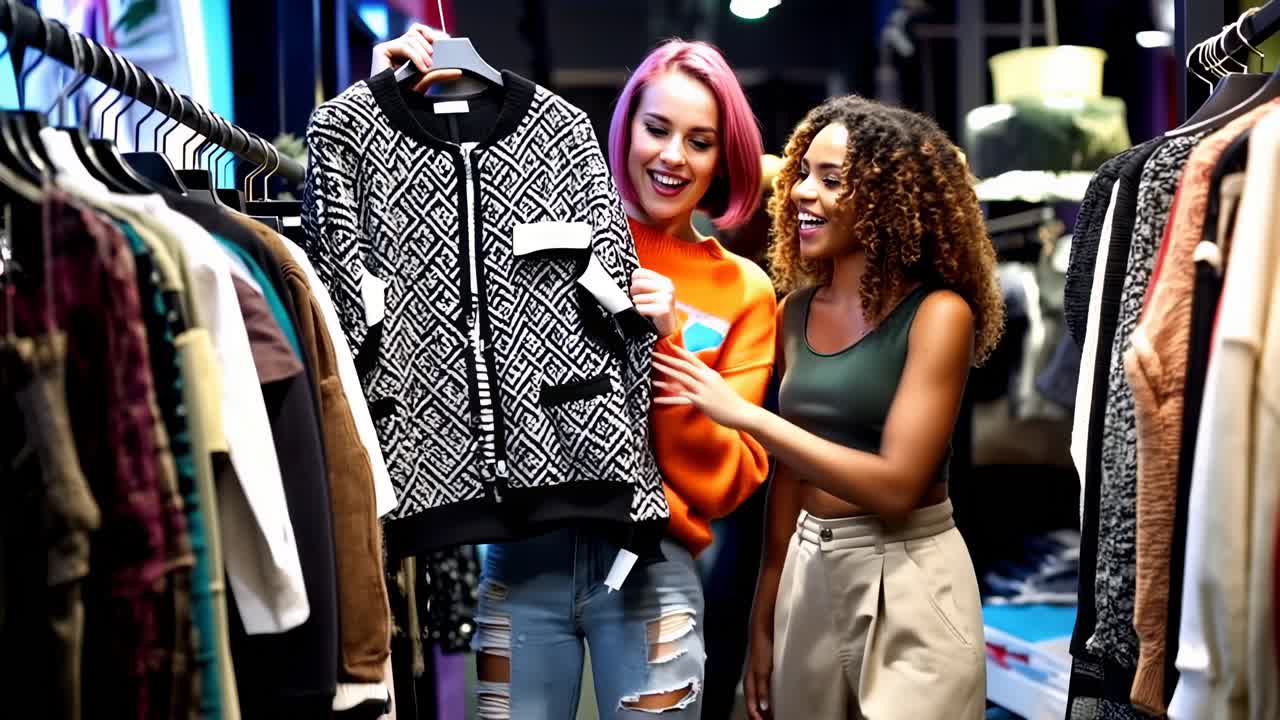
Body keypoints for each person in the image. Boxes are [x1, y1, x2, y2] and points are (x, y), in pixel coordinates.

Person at [371, 31, 776, 717]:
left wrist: (667, 344)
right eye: (657, 128)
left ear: (722, 159)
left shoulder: (743, 290)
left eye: (700, 141)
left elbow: (725, 481)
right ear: (625, 132)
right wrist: (391, 92)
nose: (673, 156)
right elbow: (431, 218)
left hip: (655, 568)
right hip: (524, 550)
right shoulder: (543, 236)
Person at [652, 96, 1004, 719]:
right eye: (803, 175)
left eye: (831, 180)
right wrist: (765, 617)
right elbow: (791, 477)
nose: (800, 194)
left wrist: (750, 418)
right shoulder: (795, 314)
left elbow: (897, 487)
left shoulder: (939, 315)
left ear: (887, 196)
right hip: (808, 569)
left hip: (911, 571)